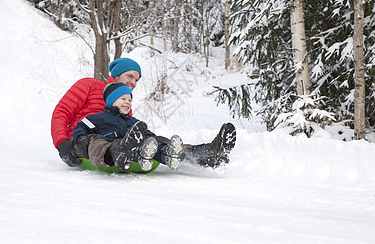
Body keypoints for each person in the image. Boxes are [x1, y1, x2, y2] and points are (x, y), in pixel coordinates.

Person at [51, 57, 236, 169]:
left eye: (137, 79)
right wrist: (62, 144)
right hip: (83, 142)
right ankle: (119, 152)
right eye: (129, 76)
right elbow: (62, 112)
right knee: (98, 142)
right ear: (116, 76)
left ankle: (204, 154)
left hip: (114, 142)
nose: (133, 82)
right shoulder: (89, 85)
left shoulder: (124, 103)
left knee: (155, 140)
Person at [72, 82, 184, 171]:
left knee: (152, 139)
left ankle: (165, 153)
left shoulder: (132, 121)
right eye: (123, 99)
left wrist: (156, 141)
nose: (128, 102)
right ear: (112, 100)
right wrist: (81, 138)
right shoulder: (98, 118)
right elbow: (80, 127)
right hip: (111, 150)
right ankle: (128, 155)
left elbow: (147, 134)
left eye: (130, 100)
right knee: (98, 141)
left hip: (133, 148)